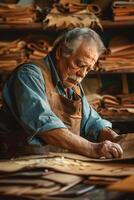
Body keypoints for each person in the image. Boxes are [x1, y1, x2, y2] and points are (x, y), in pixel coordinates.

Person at [0, 28, 123, 159]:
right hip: (18, 163)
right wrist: (92, 148)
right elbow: (44, 124)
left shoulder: (72, 86)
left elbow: (92, 123)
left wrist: (115, 139)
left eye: (88, 69)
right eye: (79, 64)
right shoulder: (29, 75)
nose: (82, 74)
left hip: (56, 163)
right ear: (60, 52)